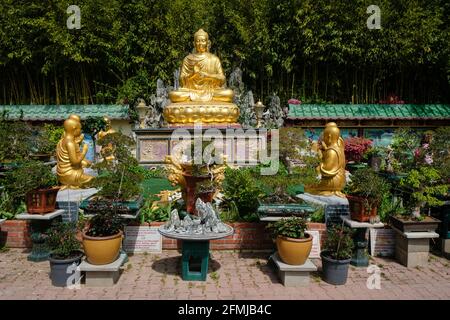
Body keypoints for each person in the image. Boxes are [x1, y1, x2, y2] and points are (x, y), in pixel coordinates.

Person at [168, 29, 234, 103]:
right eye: (198, 41)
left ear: (207, 43)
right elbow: (181, 81)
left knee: (229, 94)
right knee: (174, 95)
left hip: (211, 92)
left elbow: (222, 79)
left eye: (203, 41)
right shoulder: (188, 59)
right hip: (191, 92)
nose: (200, 43)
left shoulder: (214, 59)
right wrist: (193, 74)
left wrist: (207, 75)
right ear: (194, 43)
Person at [306, 122, 346, 197]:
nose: (323, 139)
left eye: (324, 136)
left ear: (329, 137)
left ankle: (324, 190)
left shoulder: (332, 151)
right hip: (340, 182)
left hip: (332, 182)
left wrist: (318, 156)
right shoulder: (339, 149)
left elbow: (325, 170)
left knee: (308, 185)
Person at [56, 116, 93, 189]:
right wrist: (84, 151)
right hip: (70, 175)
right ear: (74, 129)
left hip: (62, 175)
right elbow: (75, 162)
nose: (81, 131)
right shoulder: (70, 142)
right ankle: (73, 183)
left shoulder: (62, 140)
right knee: (95, 180)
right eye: (80, 129)